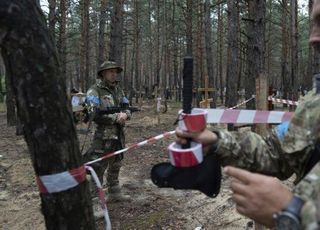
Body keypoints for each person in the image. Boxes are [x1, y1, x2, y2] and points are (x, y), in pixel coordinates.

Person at [175, 1, 320, 228]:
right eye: (313, 24)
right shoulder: (314, 102)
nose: (313, 38)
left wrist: (294, 214)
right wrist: (216, 141)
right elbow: (277, 153)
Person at [84, 61, 131, 204]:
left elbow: (127, 106)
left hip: (118, 134)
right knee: (98, 167)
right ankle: (94, 201)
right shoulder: (94, 91)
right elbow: (93, 113)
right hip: (102, 136)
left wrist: (126, 115)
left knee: (116, 163)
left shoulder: (118, 90)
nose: (114, 74)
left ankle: (114, 192)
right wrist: (116, 117)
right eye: (111, 71)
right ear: (103, 73)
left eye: (116, 72)